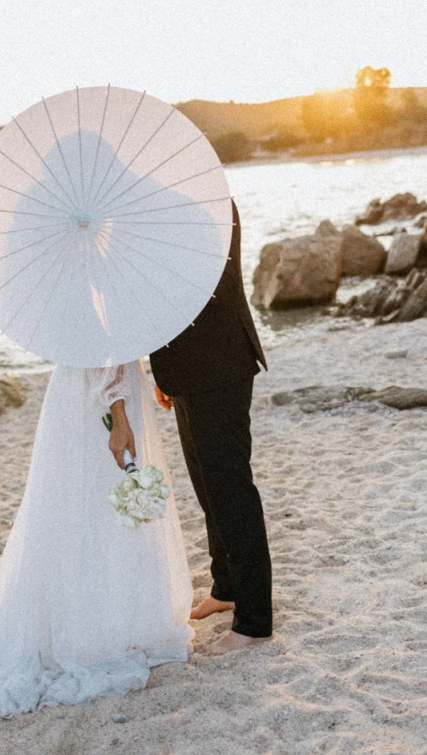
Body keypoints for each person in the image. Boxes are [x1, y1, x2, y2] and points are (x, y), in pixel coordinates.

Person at [0, 362, 193, 716]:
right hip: (105, 397)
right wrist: (119, 416)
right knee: (98, 504)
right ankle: (102, 625)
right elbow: (105, 353)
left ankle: (102, 614)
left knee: (78, 506)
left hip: (75, 391)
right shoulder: (110, 376)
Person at [149, 199, 272, 655]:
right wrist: (164, 370)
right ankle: (228, 588)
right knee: (207, 486)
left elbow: (207, 288)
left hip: (218, 364)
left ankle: (254, 621)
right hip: (188, 368)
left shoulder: (204, 199)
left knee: (230, 489)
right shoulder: (166, 202)